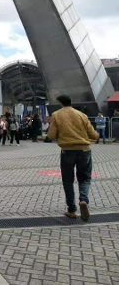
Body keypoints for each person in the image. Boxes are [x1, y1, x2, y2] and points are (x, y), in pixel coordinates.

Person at [47, 94, 99, 222]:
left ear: (61, 103)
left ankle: (71, 210)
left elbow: (51, 135)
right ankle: (83, 200)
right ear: (71, 102)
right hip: (84, 150)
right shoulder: (82, 115)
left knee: (68, 181)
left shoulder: (56, 115)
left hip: (67, 151)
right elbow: (94, 135)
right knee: (85, 178)